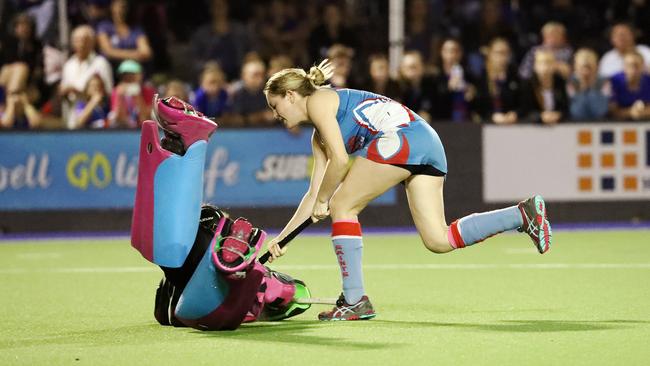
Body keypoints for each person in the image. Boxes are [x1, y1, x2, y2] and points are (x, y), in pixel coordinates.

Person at [263, 60, 553, 321]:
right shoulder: (319, 137)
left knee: (342, 206)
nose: (275, 114)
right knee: (439, 239)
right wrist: (283, 238)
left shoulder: (318, 101)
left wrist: (326, 200)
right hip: (426, 142)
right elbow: (313, 195)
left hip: (403, 138)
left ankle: (355, 299)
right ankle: (522, 215)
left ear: (291, 95)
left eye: (275, 106)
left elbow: (339, 164)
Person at [471, 37, 520, 124]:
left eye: (506, 53)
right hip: (485, 126)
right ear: (490, 54)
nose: (503, 57)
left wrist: (515, 113)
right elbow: (477, 106)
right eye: (499, 53)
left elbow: (521, 103)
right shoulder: (481, 77)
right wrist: (491, 116)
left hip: (511, 124)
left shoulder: (514, 76)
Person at [518, 50, 568, 124]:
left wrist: (558, 114)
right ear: (535, 66)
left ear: (554, 65)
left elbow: (565, 107)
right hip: (534, 127)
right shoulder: (528, 84)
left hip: (557, 125)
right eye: (541, 63)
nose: (545, 67)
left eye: (549, 62)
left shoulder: (560, 82)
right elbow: (525, 111)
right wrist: (540, 116)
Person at [567, 48, 610, 121]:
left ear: (596, 66)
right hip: (575, 123)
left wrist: (591, 86)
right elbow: (576, 112)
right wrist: (583, 86)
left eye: (589, 67)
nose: (585, 72)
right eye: (582, 67)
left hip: (599, 122)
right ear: (576, 67)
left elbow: (600, 111)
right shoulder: (570, 82)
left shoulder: (604, 81)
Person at [609, 51, 650, 121]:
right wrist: (630, 112)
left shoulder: (648, 81)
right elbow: (612, 110)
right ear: (624, 67)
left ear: (643, 66)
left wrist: (643, 112)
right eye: (629, 65)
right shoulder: (615, 81)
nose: (633, 69)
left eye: (636, 65)